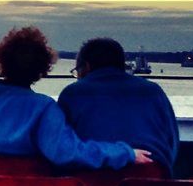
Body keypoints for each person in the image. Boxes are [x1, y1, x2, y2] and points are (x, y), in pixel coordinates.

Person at [0, 26, 150, 170]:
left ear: (1, 61)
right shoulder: (43, 107)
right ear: (42, 70)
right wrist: (126, 153)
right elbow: (67, 153)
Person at [58, 37, 180, 175]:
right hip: (149, 182)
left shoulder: (72, 93)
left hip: (92, 182)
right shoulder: (153, 91)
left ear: (86, 67)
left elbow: (63, 149)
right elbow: (172, 143)